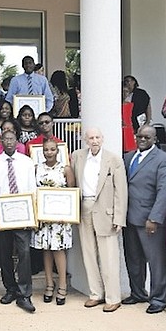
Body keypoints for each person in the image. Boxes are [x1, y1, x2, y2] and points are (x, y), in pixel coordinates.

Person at [71, 127, 127, 313]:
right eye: (91, 138)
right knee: (88, 254)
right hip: (85, 208)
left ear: (102, 139)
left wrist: (119, 217)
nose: (94, 140)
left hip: (106, 212)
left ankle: (113, 297)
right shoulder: (77, 156)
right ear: (85, 140)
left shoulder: (113, 159)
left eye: (97, 137)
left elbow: (121, 191)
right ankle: (95, 294)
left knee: (109, 256)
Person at [122, 125, 166, 314]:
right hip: (129, 218)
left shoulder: (164, 160)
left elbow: (165, 192)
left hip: (150, 220)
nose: (142, 139)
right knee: (134, 260)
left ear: (155, 139)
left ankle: (159, 299)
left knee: (156, 262)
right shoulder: (128, 157)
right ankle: (138, 293)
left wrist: (155, 218)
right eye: (140, 136)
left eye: (147, 137)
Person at [0, 129, 37, 313]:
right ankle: (10, 288)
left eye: (12, 139)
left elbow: (32, 188)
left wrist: (33, 212)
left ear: (17, 141)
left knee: (24, 252)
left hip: (23, 213)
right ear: (1, 141)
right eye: (5, 139)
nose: (9, 142)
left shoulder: (27, 162)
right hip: (3, 213)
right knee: (4, 253)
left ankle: (25, 293)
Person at [31, 138, 76, 305]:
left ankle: (63, 285)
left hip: (60, 217)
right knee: (46, 250)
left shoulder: (65, 169)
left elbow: (72, 193)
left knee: (58, 250)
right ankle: (49, 283)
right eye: (46, 150)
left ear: (58, 151)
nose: (49, 152)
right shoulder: (37, 168)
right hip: (43, 217)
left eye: (52, 149)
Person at [122, 86, 137, 153]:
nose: (124, 94)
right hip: (119, 128)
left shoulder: (131, 105)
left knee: (130, 149)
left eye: (126, 92)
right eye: (123, 91)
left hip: (128, 128)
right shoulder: (115, 105)